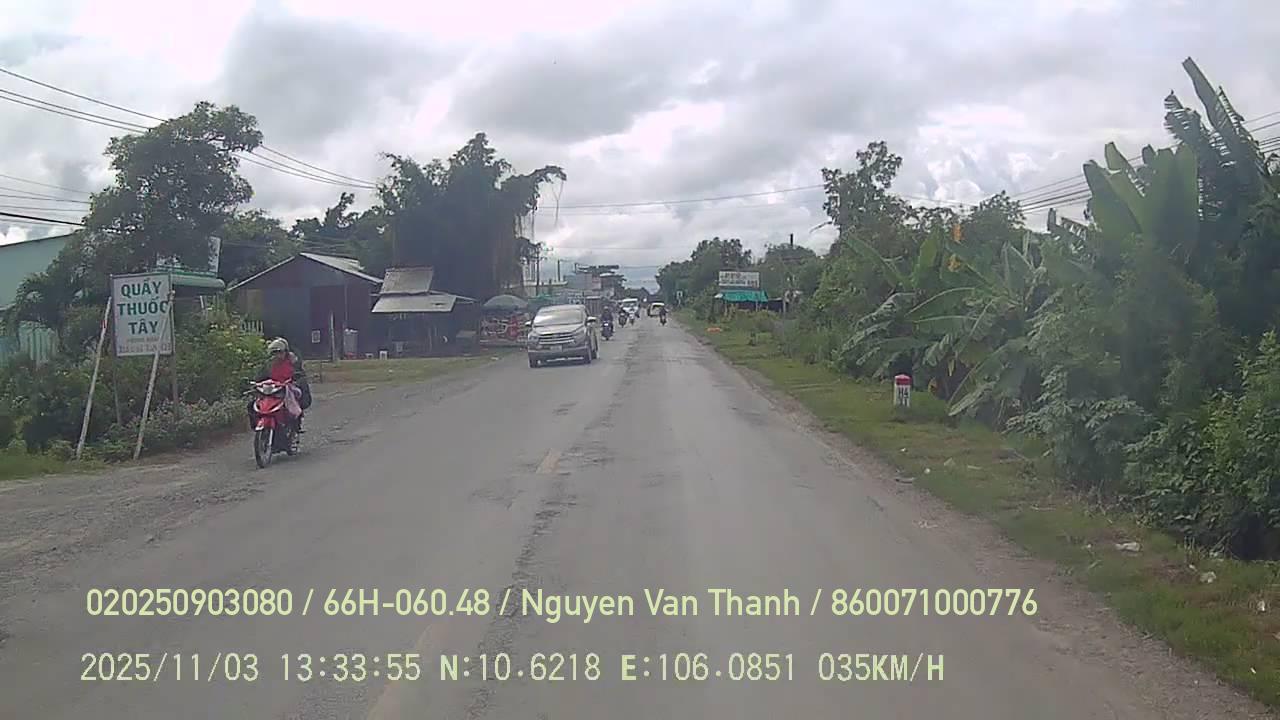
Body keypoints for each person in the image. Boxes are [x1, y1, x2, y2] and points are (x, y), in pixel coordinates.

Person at [249, 337, 311, 431]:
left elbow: (300, 375)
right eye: (274, 353)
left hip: (286, 389)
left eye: (280, 352)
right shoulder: (269, 364)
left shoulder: (293, 362)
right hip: (271, 390)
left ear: (285, 352)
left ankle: (295, 425)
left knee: (293, 401)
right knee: (252, 405)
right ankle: (257, 424)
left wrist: (295, 380)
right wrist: (256, 383)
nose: (277, 355)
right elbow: (260, 376)